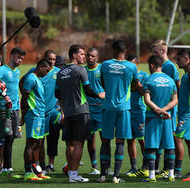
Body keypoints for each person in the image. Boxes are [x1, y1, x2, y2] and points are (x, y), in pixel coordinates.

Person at [55, 44, 105, 183]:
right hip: (81, 112)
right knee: (78, 144)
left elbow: (57, 93)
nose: (85, 57)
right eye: (82, 54)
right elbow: (88, 90)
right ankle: (75, 175)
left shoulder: (60, 72)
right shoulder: (80, 70)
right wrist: (99, 96)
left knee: (70, 144)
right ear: (74, 56)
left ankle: (71, 175)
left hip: (69, 113)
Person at [98, 40, 142, 183]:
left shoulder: (105, 65)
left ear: (114, 51)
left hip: (108, 107)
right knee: (120, 142)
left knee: (105, 141)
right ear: (124, 51)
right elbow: (136, 86)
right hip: (124, 108)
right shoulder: (131, 67)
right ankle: (116, 176)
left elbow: (103, 83)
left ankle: (103, 175)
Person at [0, 47, 26, 178]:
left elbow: (15, 90)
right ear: (12, 56)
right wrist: (4, 94)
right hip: (4, 108)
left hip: (15, 109)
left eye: (22, 59)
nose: (20, 60)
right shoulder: (2, 70)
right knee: (8, 137)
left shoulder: (18, 71)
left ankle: (6, 167)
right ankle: (7, 168)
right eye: (18, 57)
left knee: (12, 138)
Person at [142, 55, 178, 183]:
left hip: (153, 117)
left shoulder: (148, 80)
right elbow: (175, 100)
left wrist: (158, 110)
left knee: (151, 147)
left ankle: (152, 176)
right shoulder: (170, 80)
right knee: (169, 146)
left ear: (151, 65)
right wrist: (164, 110)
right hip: (167, 118)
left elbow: (147, 100)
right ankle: (171, 175)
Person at [151, 40, 180, 177]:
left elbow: (176, 87)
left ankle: (171, 170)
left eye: (156, 52)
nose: (154, 54)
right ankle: (158, 169)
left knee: (170, 139)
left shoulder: (169, 67)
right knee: (160, 138)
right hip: (159, 108)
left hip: (168, 110)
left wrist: (170, 106)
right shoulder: (163, 66)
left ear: (163, 51)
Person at [21, 59, 51, 181]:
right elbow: (24, 98)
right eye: (46, 70)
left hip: (40, 115)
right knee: (31, 143)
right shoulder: (31, 78)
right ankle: (28, 172)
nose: (47, 73)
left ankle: (36, 170)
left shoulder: (37, 79)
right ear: (40, 67)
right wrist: (23, 115)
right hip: (33, 115)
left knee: (38, 143)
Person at [125, 55, 149, 177]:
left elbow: (144, 93)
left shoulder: (144, 76)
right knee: (130, 140)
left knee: (142, 140)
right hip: (127, 111)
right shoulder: (124, 75)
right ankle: (133, 167)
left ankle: (147, 166)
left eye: (132, 64)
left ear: (137, 64)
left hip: (139, 112)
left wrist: (136, 81)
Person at [85, 47, 104, 175]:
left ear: (97, 57)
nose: (90, 58)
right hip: (88, 109)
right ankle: (94, 166)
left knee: (105, 139)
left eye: (92, 56)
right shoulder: (83, 70)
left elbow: (109, 84)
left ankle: (105, 167)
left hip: (102, 108)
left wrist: (105, 93)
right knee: (90, 139)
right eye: (88, 56)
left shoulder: (103, 69)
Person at [174, 49, 190, 178]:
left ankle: (177, 171)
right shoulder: (184, 75)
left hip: (187, 114)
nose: (177, 61)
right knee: (188, 142)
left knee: (177, 138)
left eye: (180, 59)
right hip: (183, 112)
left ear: (188, 60)